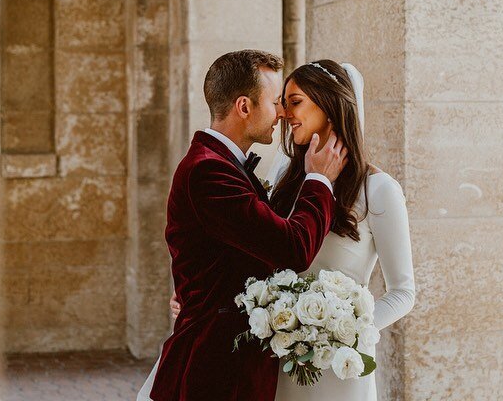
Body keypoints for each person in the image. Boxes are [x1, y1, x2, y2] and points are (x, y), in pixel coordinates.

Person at [138, 50, 347, 401]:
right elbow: (292, 249)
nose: (282, 113)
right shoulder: (209, 171)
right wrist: (319, 181)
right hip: (215, 371)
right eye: (275, 102)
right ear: (244, 107)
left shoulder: (219, 165)